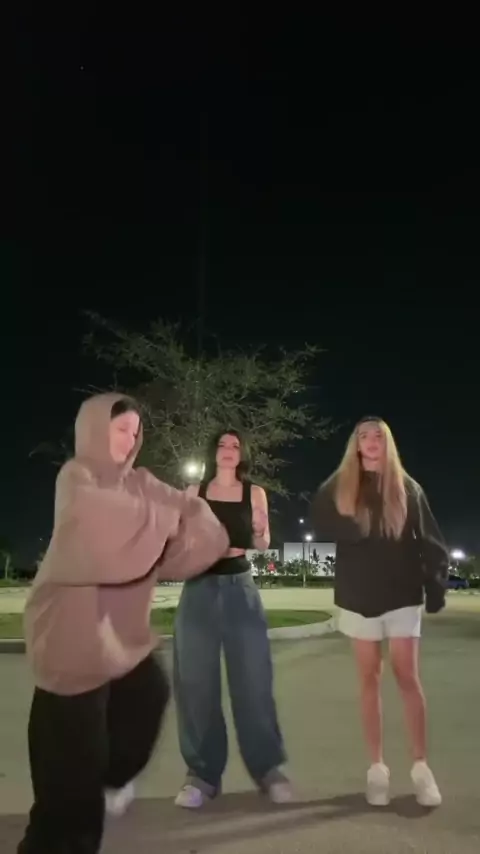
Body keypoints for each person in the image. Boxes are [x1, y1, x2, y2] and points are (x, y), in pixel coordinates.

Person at [18, 392, 229, 854]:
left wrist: (166, 527)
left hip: (121, 639)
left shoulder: (142, 483)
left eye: (135, 432)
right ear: (95, 429)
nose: (130, 440)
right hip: (71, 641)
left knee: (148, 693)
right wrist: (170, 519)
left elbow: (206, 528)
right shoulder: (77, 478)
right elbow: (103, 526)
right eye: (120, 429)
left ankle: (108, 778)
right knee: (69, 789)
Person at [311, 416, 448, 809]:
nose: (371, 441)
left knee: (407, 677)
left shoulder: (407, 487)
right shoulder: (340, 485)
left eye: (378, 436)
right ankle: (377, 769)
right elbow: (320, 519)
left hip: (402, 595)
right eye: (364, 436)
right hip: (358, 597)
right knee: (369, 679)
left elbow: (431, 538)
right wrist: (351, 528)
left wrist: (435, 584)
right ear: (356, 445)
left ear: (387, 443)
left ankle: (421, 768)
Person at [173, 429, 291, 809]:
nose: (228, 450)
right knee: (197, 685)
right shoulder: (194, 492)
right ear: (213, 452)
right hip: (199, 590)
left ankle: (268, 769)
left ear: (242, 455)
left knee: (254, 681)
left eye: (235, 446)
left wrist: (259, 530)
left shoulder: (254, 493)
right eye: (222, 445)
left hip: (240, 588)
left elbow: (262, 543)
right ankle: (202, 775)